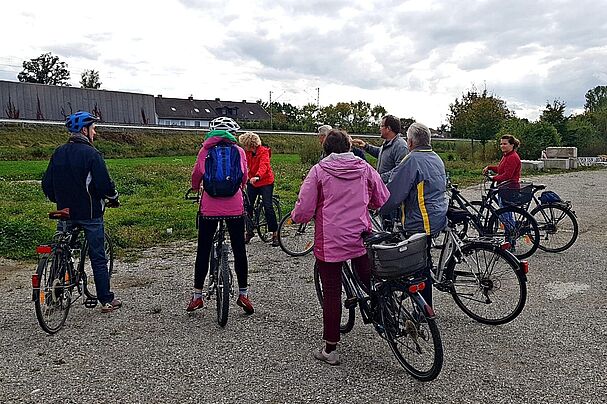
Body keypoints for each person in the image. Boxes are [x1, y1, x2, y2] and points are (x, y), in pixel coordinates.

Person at [292, 129, 389, 366]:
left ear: (325, 148)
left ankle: (331, 349)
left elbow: (304, 208)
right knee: (369, 280)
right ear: (349, 147)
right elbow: (381, 197)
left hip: (331, 239)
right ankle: (386, 311)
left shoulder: (319, 171)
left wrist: (297, 217)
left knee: (333, 293)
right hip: (359, 235)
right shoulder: (365, 168)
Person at [42, 111, 121, 313]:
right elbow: (103, 184)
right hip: (90, 213)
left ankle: (54, 293)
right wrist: (113, 198)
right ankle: (106, 300)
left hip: (64, 211)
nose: (95, 133)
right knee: (98, 256)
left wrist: (58, 201)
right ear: (84, 130)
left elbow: (47, 184)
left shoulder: (58, 152)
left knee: (61, 246)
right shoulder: (92, 154)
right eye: (93, 128)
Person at [188, 116, 254, 314]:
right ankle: (243, 293)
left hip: (210, 207)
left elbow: (197, 174)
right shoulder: (239, 150)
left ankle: (198, 296)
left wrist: (194, 188)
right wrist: (240, 188)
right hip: (234, 207)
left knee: (203, 249)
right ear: (232, 133)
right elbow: (244, 176)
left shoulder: (205, 150)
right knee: (239, 249)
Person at [378, 122, 448, 307]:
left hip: (421, 220)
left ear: (410, 142)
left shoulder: (412, 160)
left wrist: (378, 207)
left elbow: (394, 194)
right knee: (423, 261)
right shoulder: (434, 157)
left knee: (417, 266)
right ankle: (423, 303)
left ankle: (424, 309)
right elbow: (396, 174)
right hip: (437, 216)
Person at [238, 131, 280, 247]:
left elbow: (264, 165)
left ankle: (275, 234)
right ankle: (249, 231)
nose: (243, 147)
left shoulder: (263, 152)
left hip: (265, 181)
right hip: (253, 182)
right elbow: (242, 165)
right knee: (247, 206)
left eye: (244, 144)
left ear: (250, 144)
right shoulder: (247, 153)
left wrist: (257, 176)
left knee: (268, 206)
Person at [351, 115, 408, 183]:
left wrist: (378, 177)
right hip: (382, 186)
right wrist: (365, 146)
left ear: (388, 128)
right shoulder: (388, 143)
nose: (379, 129)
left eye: (381, 126)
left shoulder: (401, 146)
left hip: (391, 190)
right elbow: (381, 153)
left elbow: (399, 172)